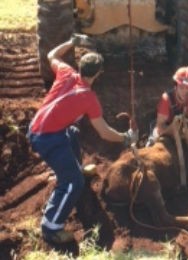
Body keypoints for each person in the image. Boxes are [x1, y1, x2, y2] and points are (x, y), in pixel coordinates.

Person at [27, 35, 138, 244]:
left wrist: (70, 42)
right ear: (98, 74)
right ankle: (51, 226)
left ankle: (75, 168)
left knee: (73, 133)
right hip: (45, 138)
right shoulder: (88, 98)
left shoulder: (66, 72)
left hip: (39, 127)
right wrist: (125, 138)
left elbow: (51, 55)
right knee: (73, 182)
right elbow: (104, 132)